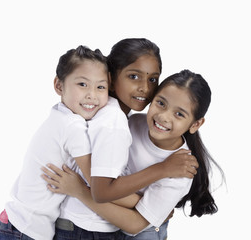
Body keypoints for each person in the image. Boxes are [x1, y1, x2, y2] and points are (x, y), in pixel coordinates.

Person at [41, 38, 199, 239]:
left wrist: (151, 209)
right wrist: (151, 199)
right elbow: (102, 189)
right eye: (134, 76)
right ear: (111, 78)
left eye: (152, 80)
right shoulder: (113, 120)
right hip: (84, 227)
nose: (144, 88)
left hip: (88, 224)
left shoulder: (130, 120)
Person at [0, 45, 110, 240]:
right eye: (82, 84)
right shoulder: (73, 127)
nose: (92, 94)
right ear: (59, 86)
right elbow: (99, 185)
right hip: (24, 230)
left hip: (17, 224)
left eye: (101, 87)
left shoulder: (60, 115)